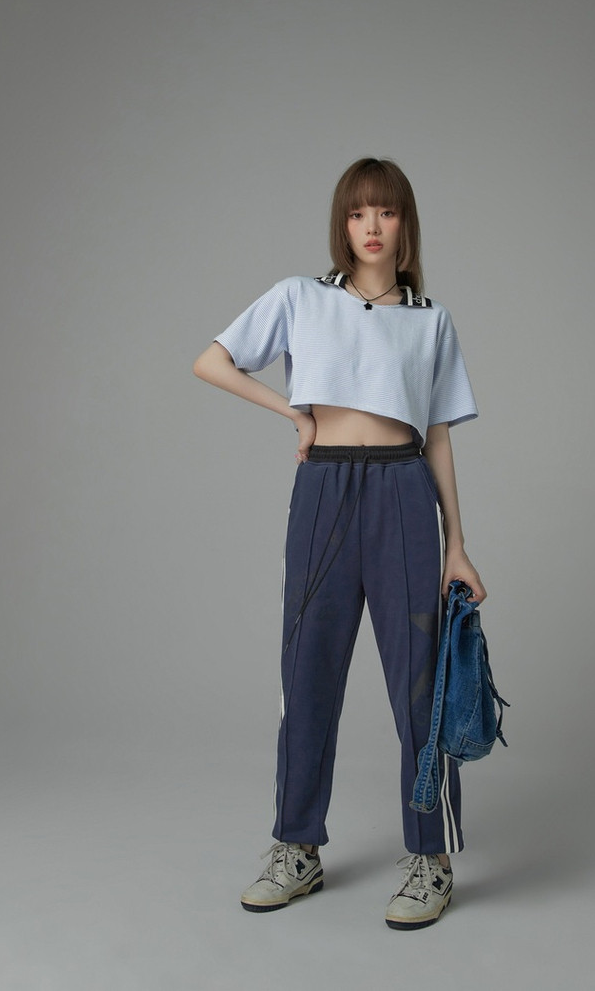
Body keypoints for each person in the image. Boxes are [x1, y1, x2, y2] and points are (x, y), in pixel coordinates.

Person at [193, 156, 486, 930]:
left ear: (404, 222)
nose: (371, 226)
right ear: (343, 223)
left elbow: (439, 436)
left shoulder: (431, 320)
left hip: (402, 492)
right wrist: (294, 413)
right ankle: (297, 847)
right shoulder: (301, 297)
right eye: (358, 212)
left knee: (419, 683)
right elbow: (211, 361)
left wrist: (457, 544)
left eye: (385, 211)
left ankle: (432, 858)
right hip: (323, 490)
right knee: (307, 674)